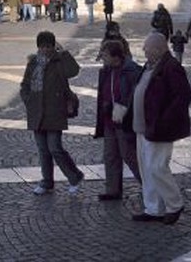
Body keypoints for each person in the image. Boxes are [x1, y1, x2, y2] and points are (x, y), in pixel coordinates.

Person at [131, 32, 191, 224]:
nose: (143, 51)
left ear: (158, 50)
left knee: (157, 168)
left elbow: (183, 96)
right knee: (146, 170)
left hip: (159, 127)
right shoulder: (150, 65)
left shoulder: (171, 67)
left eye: (147, 48)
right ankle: (153, 208)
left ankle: (175, 204)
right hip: (142, 127)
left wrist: (164, 119)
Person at [20, 31, 84, 195]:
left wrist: (63, 53)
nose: (45, 50)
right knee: (43, 150)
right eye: (42, 47)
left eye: (48, 46)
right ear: (38, 47)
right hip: (37, 111)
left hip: (55, 110)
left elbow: (73, 71)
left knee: (55, 148)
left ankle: (74, 176)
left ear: (53, 46)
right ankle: (47, 182)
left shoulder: (58, 61)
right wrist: (28, 100)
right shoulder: (33, 62)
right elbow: (25, 84)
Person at [94, 39, 142, 200]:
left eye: (105, 55)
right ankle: (112, 190)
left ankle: (149, 185)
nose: (103, 58)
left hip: (124, 120)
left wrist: (122, 106)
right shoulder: (106, 71)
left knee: (129, 155)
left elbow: (135, 94)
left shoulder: (131, 70)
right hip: (109, 120)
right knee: (110, 155)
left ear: (116, 56)